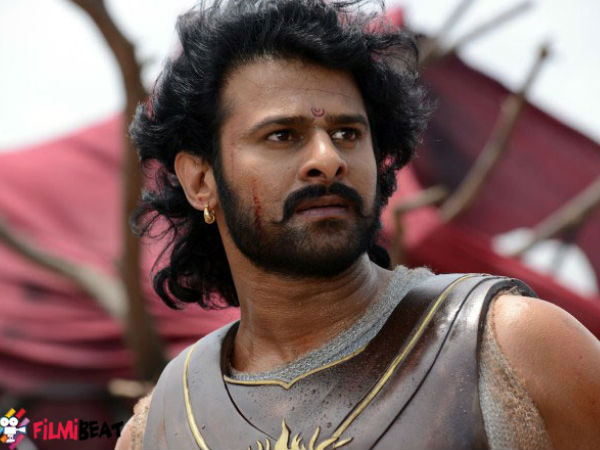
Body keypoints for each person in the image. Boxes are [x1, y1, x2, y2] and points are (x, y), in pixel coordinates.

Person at [115, 0, 600, 448]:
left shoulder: (512, 346)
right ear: (200, 180)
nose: (328, 159)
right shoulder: (159, 426)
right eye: (282, 135)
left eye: (347, 132)